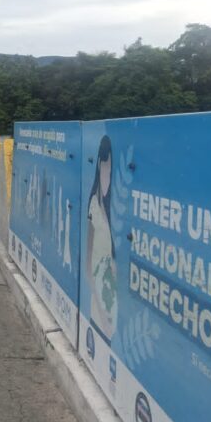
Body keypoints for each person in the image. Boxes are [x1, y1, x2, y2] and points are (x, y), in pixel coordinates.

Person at [86, 135, 117, 342]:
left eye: (110, 167)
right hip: (99, 306)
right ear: (97, 165)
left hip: (112, 307)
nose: (106, 172)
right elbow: (88, 267)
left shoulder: (115, 207)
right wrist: (99, 307)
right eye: (103, 165)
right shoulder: (94, 207)